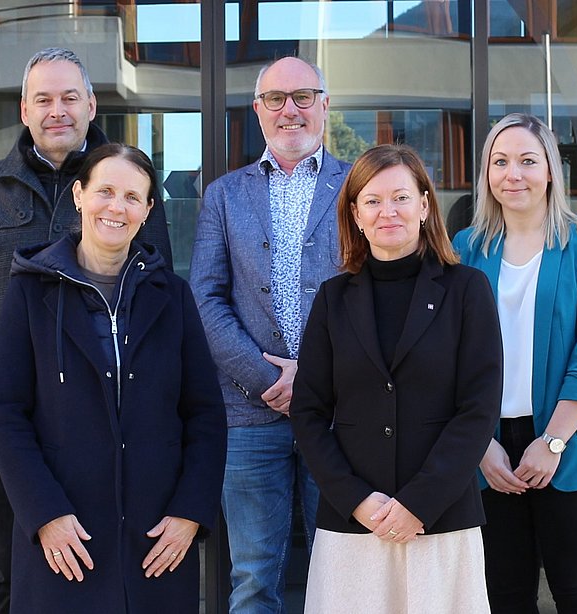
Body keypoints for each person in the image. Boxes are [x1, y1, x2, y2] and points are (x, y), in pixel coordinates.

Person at [0, 47, 172, 613]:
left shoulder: (124, 186)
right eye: (43, 98)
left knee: (106, 569)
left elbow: (157, 297)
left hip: (109, 417)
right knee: (13, 577)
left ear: (92, 105)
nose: (57, 110)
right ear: (24, 109)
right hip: (9, 421)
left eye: (70, 97)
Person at [0, 144, 227, 613]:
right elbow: (7, 413)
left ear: (148, 210)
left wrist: (190, 513)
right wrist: (44, 514)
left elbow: (204, 415)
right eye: (105, 191)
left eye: (133, 197)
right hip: (65, 537)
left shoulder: (173, 296)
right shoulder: (29, 291)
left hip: (156, 539)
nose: (117, 207)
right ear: (79, 195)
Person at [290, 144, 503, 613]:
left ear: (424, 206)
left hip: (440, 521)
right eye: (372, 200)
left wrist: (419, 505)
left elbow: (479, 408)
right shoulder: (332, 299)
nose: (388, 211)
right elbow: (308, 411)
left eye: (401, 198)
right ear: (356, 215)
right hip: (354, 525)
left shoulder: (467, 290)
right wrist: (358, 500)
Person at [189, 56, 350, 612]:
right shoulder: (225, 195)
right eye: (275, 99)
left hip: (339, 412)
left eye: (303, 96)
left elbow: (376, 295)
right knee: (254, 576)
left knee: (344, 568)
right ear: (258, 112)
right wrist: (264, 379)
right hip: (249, 413)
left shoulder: (360, 186)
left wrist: (316, 380)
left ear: (325, 106)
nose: (290, 110)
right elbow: (205, 297)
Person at [453, 113, 577, 613]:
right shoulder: (466, 249)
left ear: (550, 169)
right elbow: (449, 359)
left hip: (568, 442)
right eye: (500, 162)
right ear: (486, 173)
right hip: (488, 451)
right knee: (503, 596)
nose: (513, 174)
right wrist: (481, 447)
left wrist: (550, 443)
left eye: (528, 160)